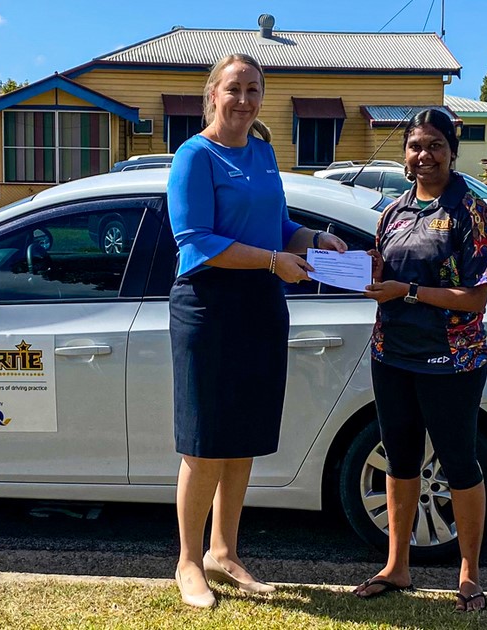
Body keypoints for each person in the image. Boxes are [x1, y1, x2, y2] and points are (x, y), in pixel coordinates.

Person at [167, 53, 347, 609]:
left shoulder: (265, 152)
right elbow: (194, 241)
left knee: (242, 437)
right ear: (212, 95)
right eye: (233, 89)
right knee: (206, 442)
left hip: (261, 306)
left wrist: (315, 240)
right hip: (209, 306)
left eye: (252, 90)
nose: (243, 100)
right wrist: (273, 260)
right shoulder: (194, 157)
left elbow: (279, 227)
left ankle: (225, 552)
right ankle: (189, 562)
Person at [357, 108, 487, 612]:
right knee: (399, 461)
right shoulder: (392, 213)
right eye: (416, 145)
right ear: (405, 154)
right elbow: (383, 275)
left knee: (460, 463)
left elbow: (475, 298)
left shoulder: (471, 212)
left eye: (436, 145)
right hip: (391, 356)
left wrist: (409, 291)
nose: (425, 155)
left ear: (453, 150)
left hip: (451, 361)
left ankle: (469, 576)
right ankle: (397, 567)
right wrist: (366, 276)